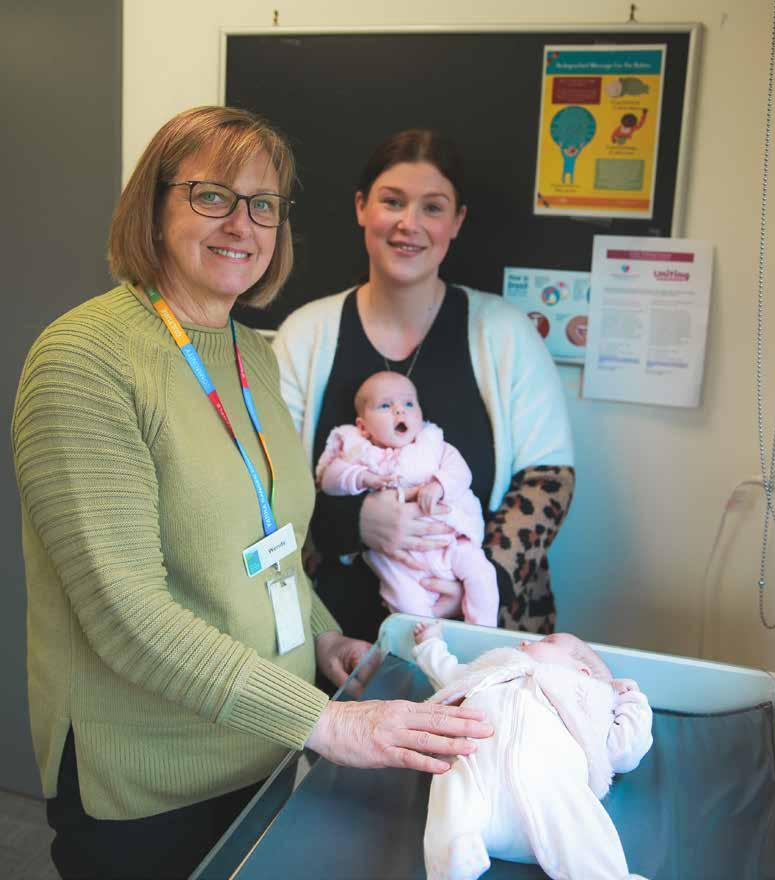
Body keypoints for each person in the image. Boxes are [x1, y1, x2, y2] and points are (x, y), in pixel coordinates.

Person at [11, 106, 493, 880]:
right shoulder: (85, 359)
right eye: (213, 195)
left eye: (264, 204)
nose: (242, 224)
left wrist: (322, 638)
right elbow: (124, 615)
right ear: (153, 206)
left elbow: (273, 547)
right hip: (149, 779)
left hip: (262, 746)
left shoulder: (252, 354)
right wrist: (329, 724)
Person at [274, 129, 575, 643]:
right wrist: (352, 522)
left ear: (456, 222)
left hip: (475, 641)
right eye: (392, 201)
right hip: (330, 641)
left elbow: (547, 481)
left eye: (432, 207)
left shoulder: (505, 335)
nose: (409, 224)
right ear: (362, 207)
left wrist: (478, 585)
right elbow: (269, 482)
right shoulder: (305, 336)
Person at [412, 622, 653, 880]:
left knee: (577, 816)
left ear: (581, 671)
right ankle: (455, 856)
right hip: (478, 776)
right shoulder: (492, 671)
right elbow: (447, 674)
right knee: (452, 781)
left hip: (549, 787)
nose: (525, 642)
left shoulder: (588, 696)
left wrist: (630, 700)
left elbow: (625, 750)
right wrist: (430, 643)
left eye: (548, 641)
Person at [316, 371, 499, 626]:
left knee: (482, 575)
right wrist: (362, 478)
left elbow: (461, 472)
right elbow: (329, 479)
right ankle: (426, 643)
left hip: (449, 545)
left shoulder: (433, 446)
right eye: (385, 405)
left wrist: (439, 485)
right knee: (407, 603)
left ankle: (482, 634)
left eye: (409, 404)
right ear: (363, 426)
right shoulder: (359, 452)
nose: (399, 410)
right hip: (397, 560)